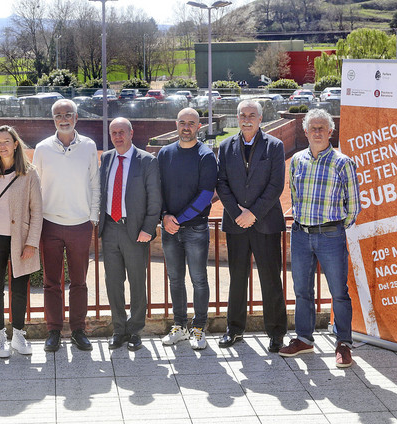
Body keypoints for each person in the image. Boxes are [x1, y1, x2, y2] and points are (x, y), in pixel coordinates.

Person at [280, 108, 361, 368]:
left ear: (330, 131)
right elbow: (295, 196)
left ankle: (344, 344)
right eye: (312, 128)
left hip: (330, 236)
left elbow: (354, 206)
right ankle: (304, 339)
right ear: (305, 131)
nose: (316, 132)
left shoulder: (343, 162)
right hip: (301, 235)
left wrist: (335, 228)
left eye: (321, 128)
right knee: (302, 291)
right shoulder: (297, 161)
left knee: (339, 292)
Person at [216, 99, 288, 352]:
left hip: (265, 223)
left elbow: (276, 185)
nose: (247, 119)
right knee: (237, 279)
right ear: (237, 118)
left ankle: (277, 332)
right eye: (242, 115)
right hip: (236, 224)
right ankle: (234, 329)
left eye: (252, 115)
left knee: (270, 279)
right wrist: (238, 213)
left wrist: (253, 214)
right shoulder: (225, 147)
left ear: (260, 118)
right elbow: (221, 183)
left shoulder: (275, 146)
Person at [33, 99, 100, 352]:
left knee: (79, 281)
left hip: (80, 224)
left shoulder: (89, 146)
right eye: (58, 115)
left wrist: (92, 217)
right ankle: (53, 331)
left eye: (68, 114)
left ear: (76, 118)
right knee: (51, 281)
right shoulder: (41, 148)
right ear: (53, 120)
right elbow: (35, 188)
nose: (63, 118)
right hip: (49, 224)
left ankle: (78, 330)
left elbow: (95, 182)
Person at [0, 125, 43, 358]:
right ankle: (0, 334)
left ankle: (19, 334)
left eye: (6, 141)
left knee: (20, 288)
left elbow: (37, 211)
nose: (2, 146)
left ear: (16, 144)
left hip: (21, 239)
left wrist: (32, 242)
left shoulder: (29, 173)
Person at [98, 117, 162, 351]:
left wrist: (148, 229)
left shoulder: (147, 161)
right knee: (113, 283)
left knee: (137, 282)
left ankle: (135, 330)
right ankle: (119, 329)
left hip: (135, 231)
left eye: (122, 132)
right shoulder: (105, 158)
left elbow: (155, 199)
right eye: (113, 132)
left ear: (131, 133)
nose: (117, 136)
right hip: (110, 228)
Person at [157, 108, 217, 350]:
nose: (186, 127)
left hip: (195, 229)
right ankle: (180, 326)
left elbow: (205, 196)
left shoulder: (206, 155)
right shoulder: (164, 154)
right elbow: (157, 188)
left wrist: (177, 219)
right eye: (182, 122)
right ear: (176, 124)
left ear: (198, 127)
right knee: (175, 279)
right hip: (169, 228)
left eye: (191, 123)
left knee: (199, 279)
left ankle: (199, 327)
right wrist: (164, 215)